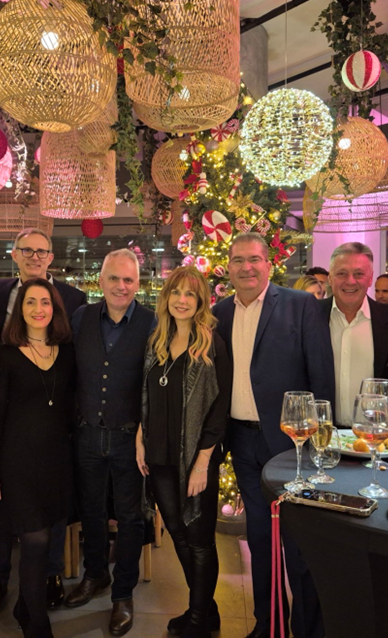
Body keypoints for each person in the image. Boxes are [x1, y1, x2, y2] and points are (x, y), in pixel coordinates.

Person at [214, 233, 335, 638]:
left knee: (298, 543)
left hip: (292, 443)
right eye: (238, 260)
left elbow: (321, 376)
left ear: (269, 264)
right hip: (242, 440)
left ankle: (307, 629)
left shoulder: (300, 305)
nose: (246, 267)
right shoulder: (219, 313)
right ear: (228, 267)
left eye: (254, 259)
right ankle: (269, 626)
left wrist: (321, 441)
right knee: (260, 539)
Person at [0, 228, 86, 618]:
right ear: (14, 254)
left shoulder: (72, 320)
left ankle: (46, 582)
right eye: (27, 250)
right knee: (8, 523)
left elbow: (76, 392)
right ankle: (0, 583)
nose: (35, 256)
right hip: (14, 447)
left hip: (55, 452)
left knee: (49, 527)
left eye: (42, 251)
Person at [64, 248, 156, 636]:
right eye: (114, 278)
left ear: (138, 283)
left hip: (129, 438)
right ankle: (96, 575)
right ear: (101, 281)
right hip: (87, 433)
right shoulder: (81, 317)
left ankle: (123, 593)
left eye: (128, 280)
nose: (121, 286)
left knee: (131, 517)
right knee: (91, 511)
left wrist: (146, 433)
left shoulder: (152, 323)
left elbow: (155, 385)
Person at [137, 267, 230, 638]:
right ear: (166, 298)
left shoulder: (211, 344)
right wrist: (140, 439)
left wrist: (203, 462)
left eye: (190, 294)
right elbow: (146, 396)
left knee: (200, 541)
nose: (181, 300)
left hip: (194, 457)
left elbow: (219, 410)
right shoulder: (157, 341)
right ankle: (204, 610)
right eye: (175, 292)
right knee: (177, 532)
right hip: (159, 455)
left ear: (201, 300)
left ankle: (198, 621)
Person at [318, 243, 388, 429]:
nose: (350, 281)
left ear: (370, 279)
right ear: (330, 278)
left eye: (359, 274)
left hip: (378, 435)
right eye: (342, 273)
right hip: (323, 435)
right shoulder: (310, 316)